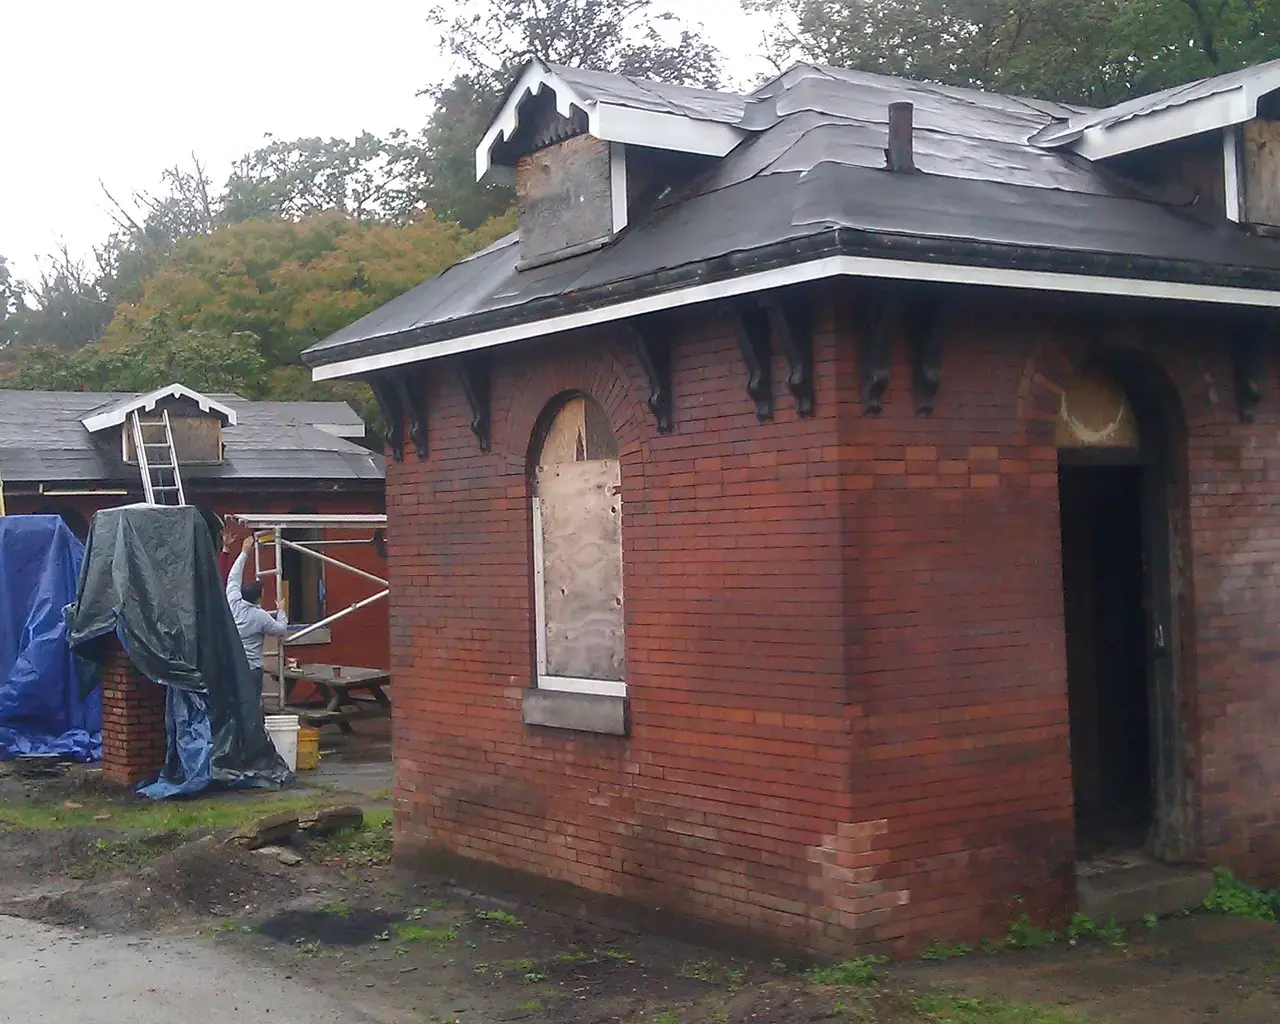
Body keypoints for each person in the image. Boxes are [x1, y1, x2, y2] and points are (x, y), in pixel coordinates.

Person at [226, 535, 288, 691]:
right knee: (252, 704)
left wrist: (244, 553)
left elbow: (233, 577)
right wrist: (281, 611)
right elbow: (280, 629)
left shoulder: (234, 602)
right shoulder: (259, 616)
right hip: (251, 669)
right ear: (258, 598)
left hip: (233, 666)